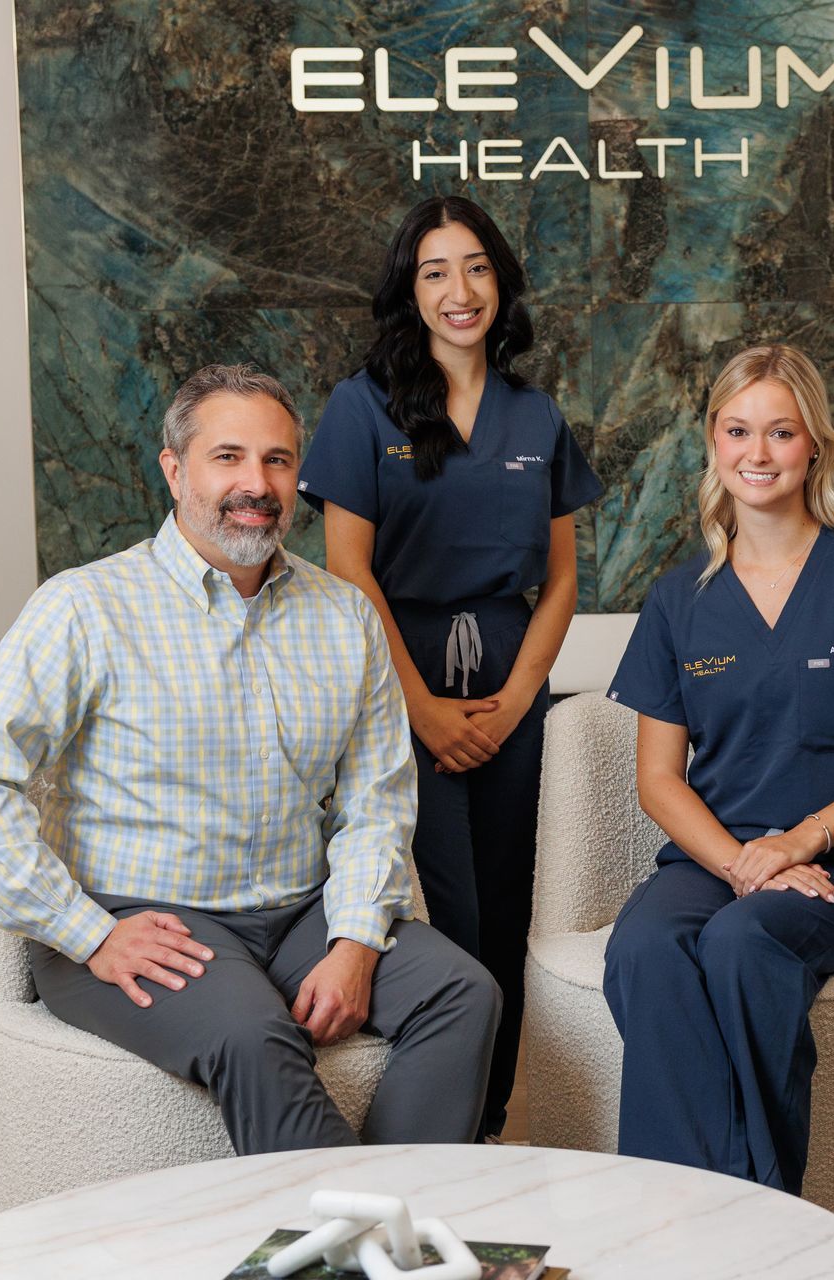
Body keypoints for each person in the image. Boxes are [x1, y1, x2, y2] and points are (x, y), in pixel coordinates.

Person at [0, 363, 501, 1154]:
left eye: (278, 460)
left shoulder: (345, 617)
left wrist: (356, 940)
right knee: (254, 1035)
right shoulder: (84, 606)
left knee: (464, 994)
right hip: (144, 916)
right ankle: (360, 1255)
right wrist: (88, 933)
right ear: (174, 469)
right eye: (227, 457)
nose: (256, 483)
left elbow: (378, 800)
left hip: (303, 911)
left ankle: (386, 1224)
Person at [603, 344, 834, 1193]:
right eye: (738, 431)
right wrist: (743, 862)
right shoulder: (679, 598)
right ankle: (695, 1209)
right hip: (716, 859)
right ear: (714, 442)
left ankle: (756, 1208)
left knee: (742, 941)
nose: (757, 454)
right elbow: (658, 777)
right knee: (646, 948)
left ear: (816, 447)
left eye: (780, 432)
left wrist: (801, 844)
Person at [296, 196, 602, 1139]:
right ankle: (446, 1122)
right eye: (434, 272)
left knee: (513, 904)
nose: (457, 291)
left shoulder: (535, 413)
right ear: (410, 290)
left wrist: (515, 703)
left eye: (474, 267)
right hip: (398, 677)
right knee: (446, 906)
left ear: (500, 283)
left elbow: (560, 582)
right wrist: (421, 708)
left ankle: (496, 1121)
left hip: (516, 680)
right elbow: (348, 573)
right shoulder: (363, 406)